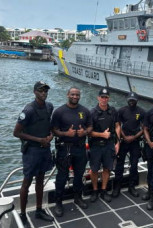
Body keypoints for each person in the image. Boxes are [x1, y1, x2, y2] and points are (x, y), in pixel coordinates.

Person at [13, 81, 55, 227]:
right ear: (34, 92)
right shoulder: (29, 110)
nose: (44, 93)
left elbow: (48, 126)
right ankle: (23, 214)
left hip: (44, 148)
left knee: (41, 179)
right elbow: (16, 132)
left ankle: (39, 210)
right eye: (41, 90)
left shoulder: (49, 107)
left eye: (45, 90)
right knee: (27, 182)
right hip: (32, 151)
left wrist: (49, 137)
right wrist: (39, 140)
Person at [51, 87, 92, 217]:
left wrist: (84, 132)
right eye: (73, 94)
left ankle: (78, 197)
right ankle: (58, 202)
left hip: (80, 148)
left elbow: (90, 126)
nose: (75, 96)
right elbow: (53, 130)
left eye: (77, 95)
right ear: (68, 95)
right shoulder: (59, 112)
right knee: (62, 176)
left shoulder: (85, 111)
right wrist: (65, 133)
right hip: (65, 148)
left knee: (79, 175)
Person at [89, 88, 121, 203]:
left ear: (109, 98)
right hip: (96, 146)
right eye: (102, 97)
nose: (104, 99)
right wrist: (102, 135)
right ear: (98, 98)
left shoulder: (113, 111)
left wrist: (118, 142)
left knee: (107, 168)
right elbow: (88, 131)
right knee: (94, 170)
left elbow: (117, 126)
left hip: (109, 145)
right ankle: (95, 190)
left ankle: (103, 190)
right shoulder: (92, 112)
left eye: (106, 97)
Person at [112, 92, 145, 198]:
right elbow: (118, 125)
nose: (132, 101)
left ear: (137, 100)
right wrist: (124, 137)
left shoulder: (141, 111)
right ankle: (117, 187)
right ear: (127, 99)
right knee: (119, 165)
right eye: (130, 99)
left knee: (134, 165)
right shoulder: (121, 110)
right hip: (123, 140)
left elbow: (144, 128)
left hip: (135, 141)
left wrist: (134, 137)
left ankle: (132, 187)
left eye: (134, 100)